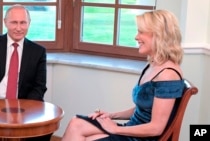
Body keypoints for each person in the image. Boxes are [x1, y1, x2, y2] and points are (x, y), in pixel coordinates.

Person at [61, 9, 185, 141]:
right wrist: (111, 115)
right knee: (76, 123)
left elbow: (156, 128)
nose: (136, 37)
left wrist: (116, 129)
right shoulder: (154, 65)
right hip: (132, 129)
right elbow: (145, 108)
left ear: (159, 36)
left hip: (141, 137)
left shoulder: (168, 75)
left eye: (141, 32)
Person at [0, 4, 51, 141]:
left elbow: (39, 86)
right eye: (14, 22)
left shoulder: (38, 52)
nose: (18, 28)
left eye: (23, 23)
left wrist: (23, 110)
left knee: (42, 133)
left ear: (29, 23)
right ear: (5, 22)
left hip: (23, 107)